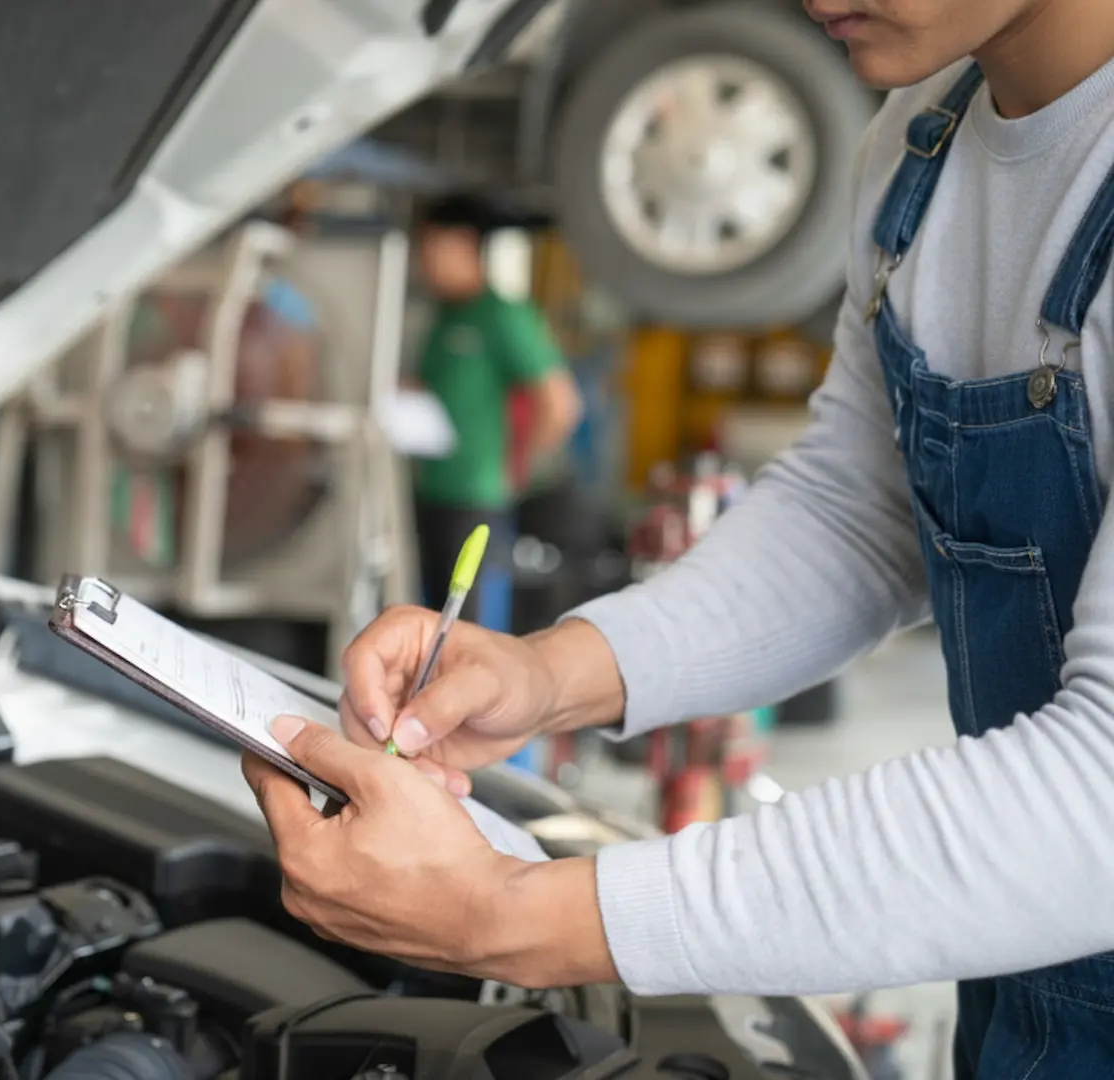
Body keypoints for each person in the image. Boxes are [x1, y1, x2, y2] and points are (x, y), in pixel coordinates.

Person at [242, 2, 1114, 1077]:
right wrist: (551, 671)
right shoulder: (915, 145)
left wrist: (520, 913)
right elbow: (859, 514)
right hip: (1024, 979)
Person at [408, 194, 582, 631]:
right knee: (427, 618)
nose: (422, 261)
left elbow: (560, 404)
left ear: (463, 244)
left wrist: (516, 470)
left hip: (477, 499)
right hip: (430, 489)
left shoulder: (504, 316)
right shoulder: (445, 317)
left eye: (430, 246)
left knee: (464, 627)